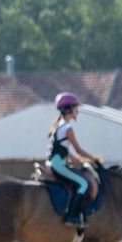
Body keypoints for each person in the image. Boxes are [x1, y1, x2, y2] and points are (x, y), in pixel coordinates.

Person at [48, 93, 100, 227]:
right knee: (84, 184)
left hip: (56, 163)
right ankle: (72, 216)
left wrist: (80, 161)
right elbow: (78, 149)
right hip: (59, 166)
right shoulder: (68, 128)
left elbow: (66, 151)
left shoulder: (59, 125)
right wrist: (94, 158)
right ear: (69, 109)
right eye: (76, 109)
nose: (78, 112)